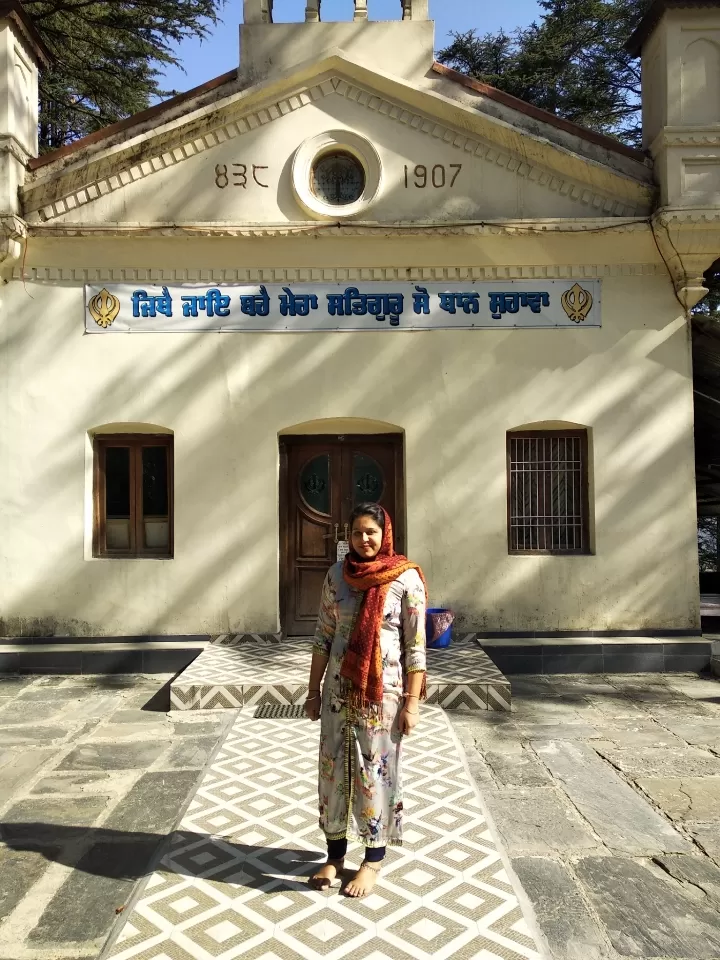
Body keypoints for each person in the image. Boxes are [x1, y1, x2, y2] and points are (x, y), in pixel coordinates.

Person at [304, 502, 427, 898]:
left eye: (371, 532)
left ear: (385, 534)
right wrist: (312, 690)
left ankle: (372, 860)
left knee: (376, 774)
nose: (364, 539)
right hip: (338, 694)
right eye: (357, 533)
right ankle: (335, 855)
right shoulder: (336, 576)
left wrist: (412, 704)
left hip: (382, 696)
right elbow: (323, 636)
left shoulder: (405, 579)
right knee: (333, 773)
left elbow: (416, 647)